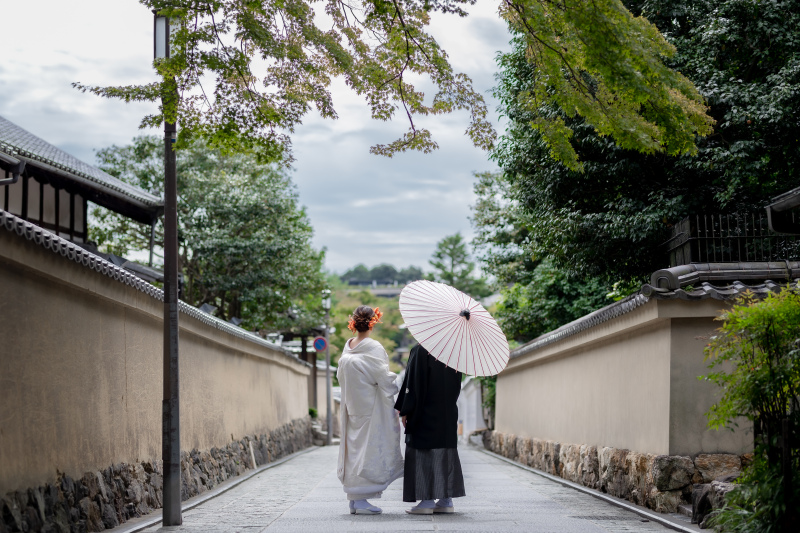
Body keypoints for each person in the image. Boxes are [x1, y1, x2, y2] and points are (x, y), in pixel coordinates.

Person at [336, 305, 403, 515]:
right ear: (373, 322)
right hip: (371, 407)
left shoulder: (348, 347)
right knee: (367, 450)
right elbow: (384, 379)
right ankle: (362, 499)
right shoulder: (373, 348)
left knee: (353, 450)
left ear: (353, 323)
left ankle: (355, 500)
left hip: (351, 407)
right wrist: (401, 383)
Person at [394, 343, 465, 514]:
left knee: (423, 452)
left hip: (424, 410)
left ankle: (426, 501)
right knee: (444, 452)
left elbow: (414, 383)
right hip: (447, 411)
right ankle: (446, 500)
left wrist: (407, 409)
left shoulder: (421, 350)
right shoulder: (454, 352)